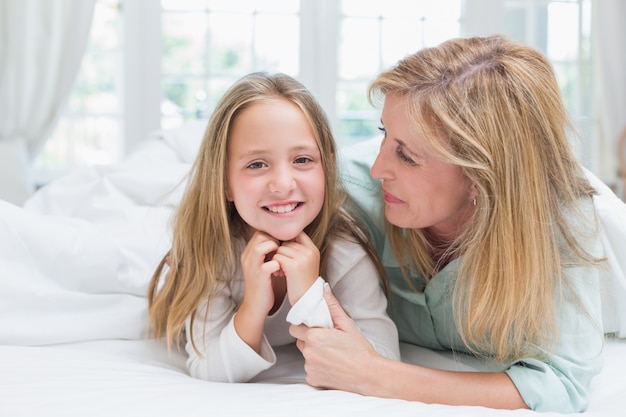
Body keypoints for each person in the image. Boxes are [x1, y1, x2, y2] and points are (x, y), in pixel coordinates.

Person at [289, 35, 606, 412]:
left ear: (480, 177)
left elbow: (561, 386)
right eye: (383, 135)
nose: (378, 168)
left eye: (406, 156)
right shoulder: (346, 190)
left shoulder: (559, 219)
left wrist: (375, 374)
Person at [147, 72, 399, 383]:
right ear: (224, 181)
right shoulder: (210, 250)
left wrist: (311, 294)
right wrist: (254, 303)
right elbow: (210, 368)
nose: (282, 184)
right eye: (257, 164)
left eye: (303, 159)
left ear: (328, 168)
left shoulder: (346, 250)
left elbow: (383, 360)